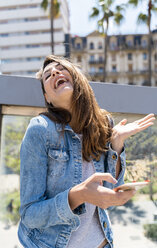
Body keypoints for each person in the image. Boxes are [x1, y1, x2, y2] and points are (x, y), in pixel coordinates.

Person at [18, 55, 155, 248]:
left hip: (102, 242)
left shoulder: (103, 123)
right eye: (48, 76)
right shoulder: (39, 131)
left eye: (60, 68)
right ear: (47, 97)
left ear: (76, 77)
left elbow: (110, 188)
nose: (55, 72)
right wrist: (79, 195)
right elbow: (30, 215)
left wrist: (116, 142)